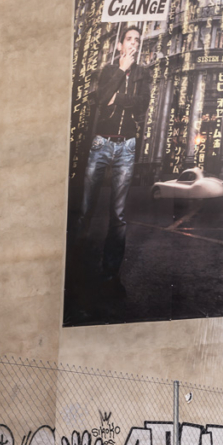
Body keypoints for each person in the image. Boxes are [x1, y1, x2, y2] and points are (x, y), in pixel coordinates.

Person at [75, 26, 150, 286]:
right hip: (101, 143)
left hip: (126, 146)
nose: (133, 44)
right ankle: (75, 265)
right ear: (120, 45)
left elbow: (142, 104)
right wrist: (120, 71)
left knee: (117, 214)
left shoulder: (143, 74)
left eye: (137, 40)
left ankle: (110, 272)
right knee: (85, 208)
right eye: (129, 39)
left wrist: (116, 97)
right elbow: (100, 98)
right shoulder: (107, 71)